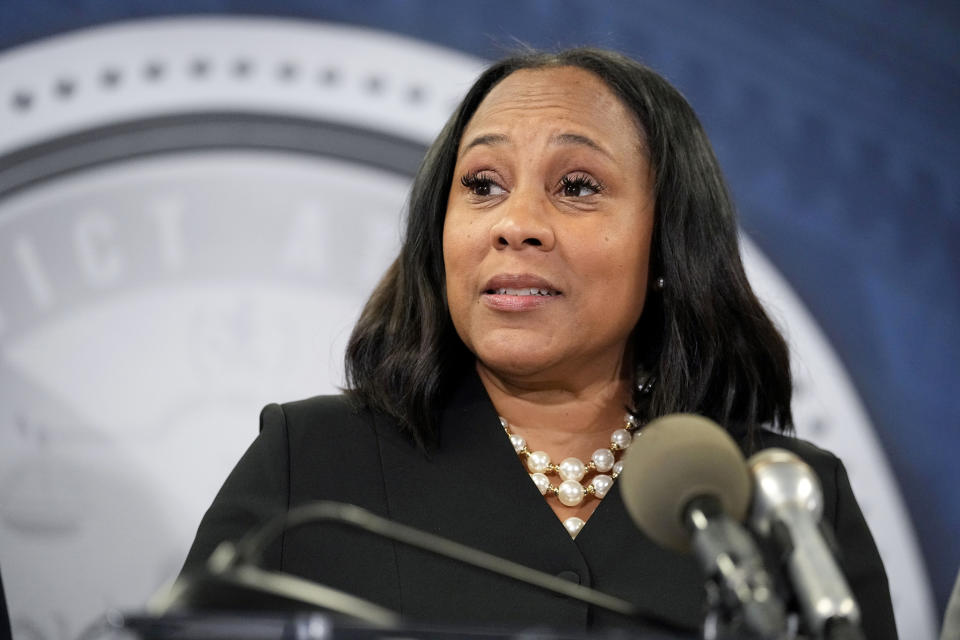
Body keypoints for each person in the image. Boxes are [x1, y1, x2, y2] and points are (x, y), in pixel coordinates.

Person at [181, 48, 897, 638]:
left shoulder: (785, 501)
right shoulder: (311, 464)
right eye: (483, 185)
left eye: (578, 185)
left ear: (669, 247)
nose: (516, 223)